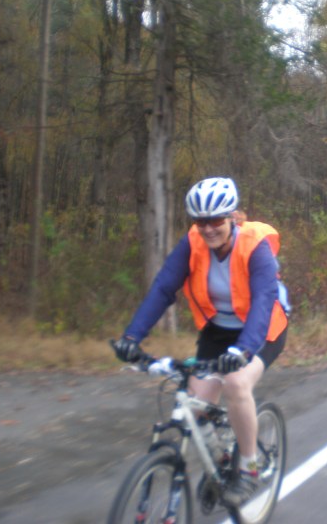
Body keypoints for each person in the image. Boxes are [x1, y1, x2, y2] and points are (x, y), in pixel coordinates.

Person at [112, 176, 288, 506]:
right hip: (218, 331)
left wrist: (243, 350)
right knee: (194, 403)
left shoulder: (254, 247)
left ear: (231, 217)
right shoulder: (192, 243)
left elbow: (264, 301)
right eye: (200, 221)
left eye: (216, 220)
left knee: (235, 383)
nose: (208, 229)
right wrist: (132, 337)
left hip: (262, 330)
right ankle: (222, 463)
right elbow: (164, 288)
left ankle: (249, 468)